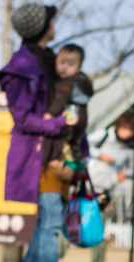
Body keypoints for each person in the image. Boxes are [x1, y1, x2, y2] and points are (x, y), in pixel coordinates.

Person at [0, 2, 78, 262]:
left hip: (49, 154)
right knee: (52, 219)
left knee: (46, 221)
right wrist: (58, 123)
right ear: (42, 27)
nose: (54, 24)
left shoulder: (47, 61)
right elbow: (23, 118)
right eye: (50, 20)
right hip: (37, 157)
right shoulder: (23, 69)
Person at [85, 111, 134, 262]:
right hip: (89, 185)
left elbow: (130, 169)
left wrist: (124, 174)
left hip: (108, 190)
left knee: (100, 227)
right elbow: (84, 145)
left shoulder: (129, 148)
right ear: (117, 127)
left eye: (130, 130)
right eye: (124, 128)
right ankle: (58, 258)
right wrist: (100, 155)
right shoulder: (102, 135)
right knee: (77, 221)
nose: (127, 133)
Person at [48, 43, 92, 171]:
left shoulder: (68, 83)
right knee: (75, 144)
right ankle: (78, 166)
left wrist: (49, 114)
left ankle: (70, 166)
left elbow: (60, 101)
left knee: (65, 143)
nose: (64, 68)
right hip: (81, 120)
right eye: (62, 62)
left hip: (71, 118)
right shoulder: (83, 81)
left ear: (78, 68)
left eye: (70, 65)